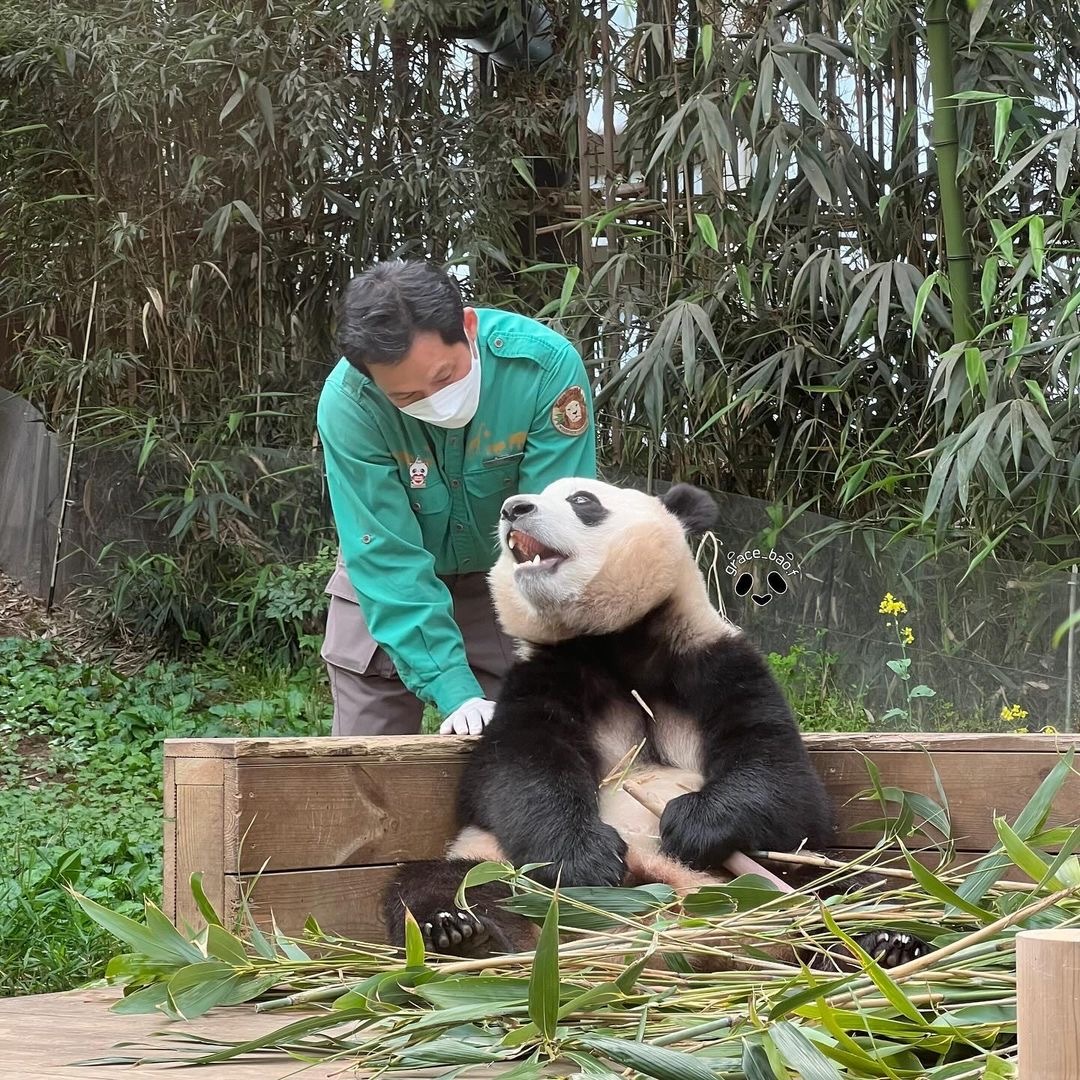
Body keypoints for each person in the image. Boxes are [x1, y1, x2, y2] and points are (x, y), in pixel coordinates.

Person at [317, 259, 597, 736]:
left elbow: (554, 533)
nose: (432, 400)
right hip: (385, 591)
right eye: (406, 397)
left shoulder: (542, 369)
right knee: (363, 765)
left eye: (444, 377)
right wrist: (454, 689)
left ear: (468, 326)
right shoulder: (350, 403)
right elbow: (385, 555)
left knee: (529, 748)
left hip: (508, 579)